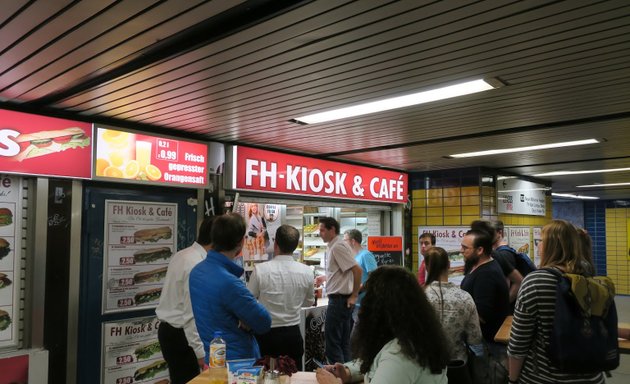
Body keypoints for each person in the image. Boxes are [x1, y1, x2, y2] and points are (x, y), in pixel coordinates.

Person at [507, 220, 606, 384]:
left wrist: (512, 379)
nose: (538, 245)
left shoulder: (536, 281)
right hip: (592, 376)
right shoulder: (590, 277)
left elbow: (518, 343)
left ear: (552, 246)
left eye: (541, 241)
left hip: (545, 377)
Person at [315, 266, 449, 384]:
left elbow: (389, 365)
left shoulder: (400, 355)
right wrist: (347, 371)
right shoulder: (415, 338)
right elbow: (375, 363)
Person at [189, 213, 271, 363]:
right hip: (238, 363)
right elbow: (264, 322)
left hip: (213, 357)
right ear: (240, 243)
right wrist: (245, 319)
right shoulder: (229, 283)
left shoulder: (197, 272)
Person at [156, 216, 214, 384]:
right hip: (183, 337)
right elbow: (191, 314)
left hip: (171, 333)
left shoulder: (183, 254)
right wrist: (201, 353)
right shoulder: (196, 264)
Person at [247, 224, 315, 370]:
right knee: (293, 376)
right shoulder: (307, 272)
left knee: (265, 376)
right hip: (292, 335)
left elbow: (249, 302)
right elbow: (309, 301)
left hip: (266, 335)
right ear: (295, 246)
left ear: (275, 242)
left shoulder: (260, 270)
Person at [424, 247, 483, 367]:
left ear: (426, 267)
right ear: (449, 264)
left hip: (426, 365)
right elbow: (475, 338)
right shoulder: (465, 297)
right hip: (457, 364)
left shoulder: (420, 297)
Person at [314, 217, 362, 364]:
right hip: (341, 300)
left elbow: (357, 271)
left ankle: (339, 377)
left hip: (339, 301)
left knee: (333, 344)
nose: (319, 233)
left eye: (322, 230)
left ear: (332, 229)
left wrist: (354, 295)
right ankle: (347, 375)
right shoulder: (334, 246)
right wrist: (325, 277)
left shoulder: (337, 247)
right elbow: (342, 273)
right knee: (342, 343)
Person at [343, 228, 377, 325]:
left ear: (353, 241)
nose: (343, 243)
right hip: (354, 303)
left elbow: (374, 278)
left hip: (363, 305)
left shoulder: (365, 255)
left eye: (345, 240)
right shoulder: (353, 257)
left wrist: (357, 290)